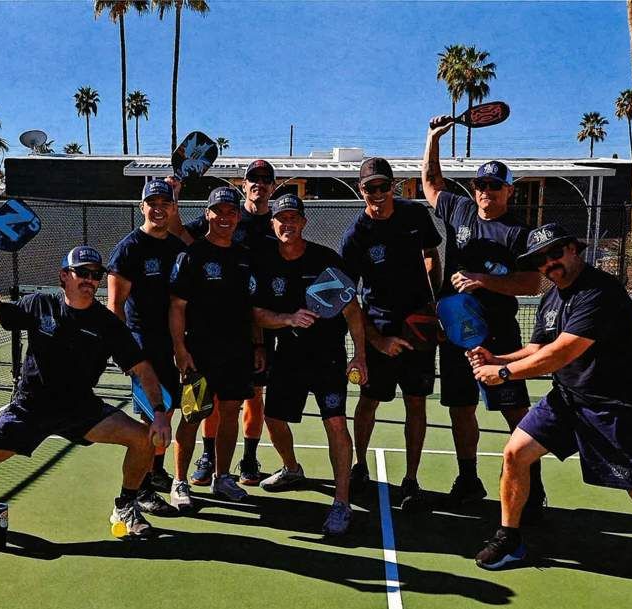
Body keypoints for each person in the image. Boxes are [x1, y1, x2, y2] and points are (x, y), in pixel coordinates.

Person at [469, 223, 632, 575]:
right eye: (539, 260)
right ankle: (510, 538)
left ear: (573, 249)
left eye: (554, 253)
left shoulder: (600, 292)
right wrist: (498, 358)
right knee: (515, 453)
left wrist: (504, 373)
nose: (548, 263)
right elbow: (538, 348)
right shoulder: (551, 298)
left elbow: (560, 353)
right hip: (567, 399)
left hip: (616, 407)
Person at [0, 245, 171, 538]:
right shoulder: (40, 305)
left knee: (143, 438)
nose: (89, 279)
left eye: (95, 275)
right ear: (64, 275)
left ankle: (125, 506)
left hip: (81, 411)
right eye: (82, 272)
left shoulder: (107, 324)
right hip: (28, 411)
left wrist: (159, 413)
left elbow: (143, 369)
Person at [422, 116, 545, 516]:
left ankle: (533, 487)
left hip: (499, 336)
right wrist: (432, 138)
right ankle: (468, 479)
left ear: (509, 190)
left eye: (494, 185)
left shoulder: (519, 233)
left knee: (514, 411)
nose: (485, 191)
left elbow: (532, 283)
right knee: (460, 408)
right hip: (457, 334)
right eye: (480, 185)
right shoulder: (460, 210)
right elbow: (431, 183)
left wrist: (483, 281)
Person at [251, 194, 368, 535]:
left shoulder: (325, 260)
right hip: (287, 355)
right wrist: (287, 319)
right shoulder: (264, 262)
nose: (287, 224)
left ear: (303, 222)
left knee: (336, 424)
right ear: (273, 223)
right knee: (273, 418)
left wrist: (359, 355)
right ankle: (292, 469)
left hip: (328, 358)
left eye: (293, 218)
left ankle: (341, 503)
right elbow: (255, 313)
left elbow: (353, 312)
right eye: (281, 219)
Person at [340, 157, 442, 511]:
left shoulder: (415, 215)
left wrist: (433, 304)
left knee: (416, 402)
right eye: (371, 188)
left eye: (384, 186)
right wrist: (377, 340)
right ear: (361, 190)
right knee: (368, 402)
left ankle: (411, 479)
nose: (379, 193)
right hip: (379, 327)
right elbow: (348, 298)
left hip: (419, 329)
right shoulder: (355, 236)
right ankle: (360, 465)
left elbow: (431, 254)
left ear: (394, 185)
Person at [179, 161, 277, 488]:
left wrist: (260, 339)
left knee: (250, 398)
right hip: (203, 342)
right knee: (201, 408)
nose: (259, 183)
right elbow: (179, 233)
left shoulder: (277, 222)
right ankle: (202, 461)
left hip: (250, 333)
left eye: (265, 179)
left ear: (273, 186)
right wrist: (174, 193)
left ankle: (246, 459)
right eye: (253, 178)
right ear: (244, 184)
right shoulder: (204, 240)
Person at [107, 179, 189, 513]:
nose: (158, 209)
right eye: (152, 203)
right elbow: (115, 306)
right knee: (149, 419)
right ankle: (139, 491)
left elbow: (178, 303)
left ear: (173, 208)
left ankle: (154, 473)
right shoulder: (129, 248)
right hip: (141, 344)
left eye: (165, 203)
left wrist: (180, 346)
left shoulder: (177, 248)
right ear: (142, 207)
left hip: (169, 342)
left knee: (165, 413)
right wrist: (124, 351)